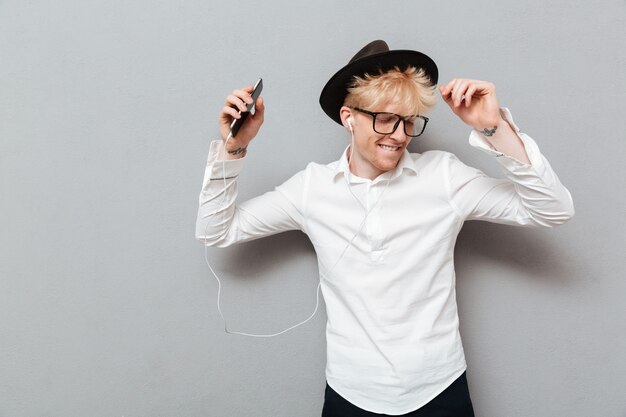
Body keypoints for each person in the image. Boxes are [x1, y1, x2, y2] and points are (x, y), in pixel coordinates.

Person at [196, 40, 574, 417]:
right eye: (385, 118)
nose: (399, 135)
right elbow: (217, 230)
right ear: (349, 117)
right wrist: (234, 148)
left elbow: (552, 209)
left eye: (409, 121)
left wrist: (494, 129)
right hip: (350, 394)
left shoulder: (444, 176)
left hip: (440, 390)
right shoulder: (312, 188)